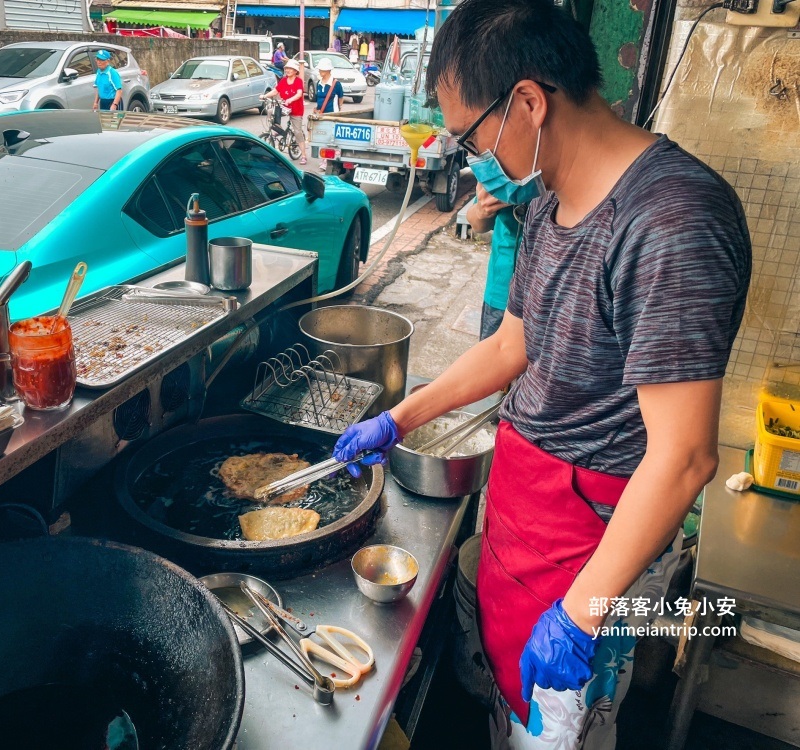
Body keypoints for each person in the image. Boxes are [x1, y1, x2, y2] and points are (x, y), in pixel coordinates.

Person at [332, 0, 751, 747]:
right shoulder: (555, 203)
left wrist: (584, 612)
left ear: (527, 101)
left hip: (589, 548)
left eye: (469, 137)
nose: (470, 160)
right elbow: (507, 351)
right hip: (523, 514)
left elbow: (684, 457)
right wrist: (401, 417)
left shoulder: (673, 221)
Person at [464, 183, 524, 340]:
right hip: (502, 289)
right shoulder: (504, 166)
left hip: (555, 298)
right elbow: (476, 223)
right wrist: (482, 210)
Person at [312, 58, 344, 170]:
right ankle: (324, 161)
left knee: (331, 138)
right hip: (321, 115)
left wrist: (339, 111)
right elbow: (318, 99)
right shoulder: (319, 84)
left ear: (329, 70)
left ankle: (331, 161)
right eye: (320, 69)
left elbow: (341, 99)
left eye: (323, 69)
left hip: (332, 115)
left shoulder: (336, 84)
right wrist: (317, 109)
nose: (320, 71)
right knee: (322, 138)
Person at [275, 59, 307, 165]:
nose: (287, 70)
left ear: (295, 71)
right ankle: (277, 128)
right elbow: (276, 90)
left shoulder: (298, 81)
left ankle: (303, 155)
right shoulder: (283, 80)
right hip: (286, 107)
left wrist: (290, 99)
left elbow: (299, 94)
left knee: (297, 132)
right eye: (286, 68)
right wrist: (264, 96)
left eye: (290, 69)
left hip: (296, 109)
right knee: (272, 110)